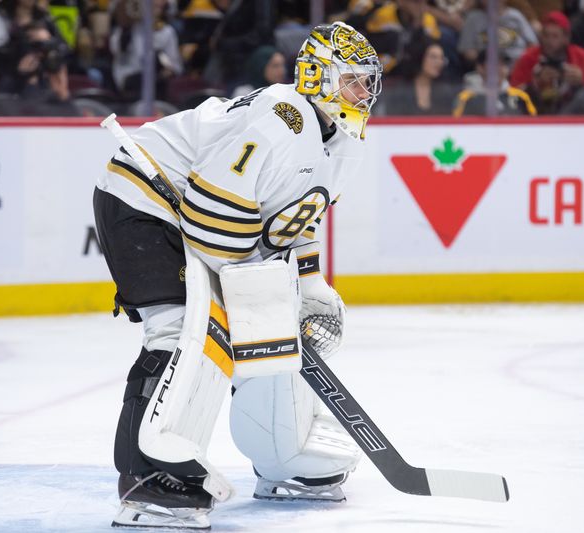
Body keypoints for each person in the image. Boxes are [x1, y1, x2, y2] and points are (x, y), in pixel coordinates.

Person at [92, 21, 382, 529]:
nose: (364, 93)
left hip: (202, 216)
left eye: (368, 82)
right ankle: (149, 479)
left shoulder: (344, 142)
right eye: (353, 80)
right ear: (318, 76)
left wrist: (308, 285)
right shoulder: (282, 120)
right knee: (180, 330)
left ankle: (281, 458)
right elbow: (211, 227)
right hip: (143, 200)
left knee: (265, 327)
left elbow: (298, 218)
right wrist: (260, 292)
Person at [509, 11, 584, 113]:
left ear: (566, 38)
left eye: (555, 36)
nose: (549, 41)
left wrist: (582, 80)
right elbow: (513, 95)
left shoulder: (581, 56)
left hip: (574, 117)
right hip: (536, 116)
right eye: (546, 35)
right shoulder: (528, 58)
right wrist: (535, 84)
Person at [384, 37, 459, 114]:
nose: (439, 63)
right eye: (433, 57)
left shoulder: (445, 92)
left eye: (441, 58)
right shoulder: (400, 90)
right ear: (420, 57)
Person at [453, 49, 537, 116]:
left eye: (503, 64)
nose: (499, 69)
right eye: (494, 64)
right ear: (480, 68)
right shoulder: (466, 98)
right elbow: (456, 127)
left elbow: (534, 126)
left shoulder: (521, 97)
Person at [458, 0, 538, 66]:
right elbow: (467, 51)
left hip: (518, 66)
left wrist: (523, 60)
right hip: (487, 69)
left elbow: (533, 44)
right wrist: (485, 61)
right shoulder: (473, 18)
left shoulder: (515, 16)